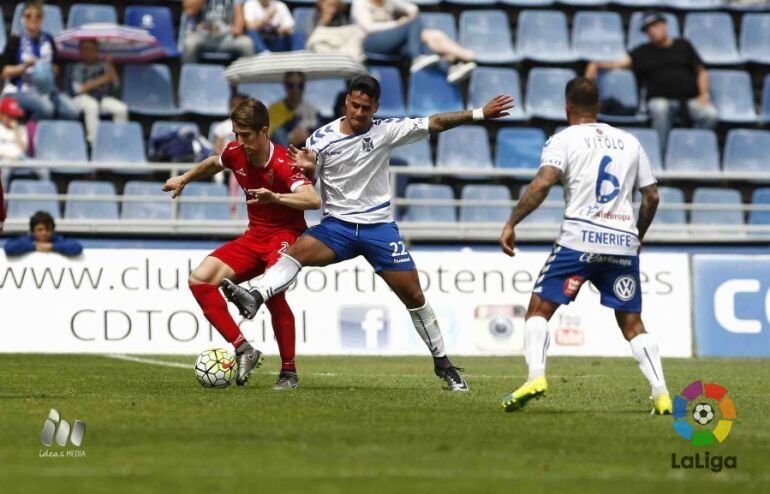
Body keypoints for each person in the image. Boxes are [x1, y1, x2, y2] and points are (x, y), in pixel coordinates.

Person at [220, 75, 514, 391]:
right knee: (295, 253)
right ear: (347, 101)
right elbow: (309, 185)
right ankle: (255, 295)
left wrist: (479, 113)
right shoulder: (321, 138)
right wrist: (308, 169)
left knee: (415, 297)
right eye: (355, 105)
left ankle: (445, 366)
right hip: (338, 227)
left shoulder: (386, 131)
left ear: (376, 107)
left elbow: (436, 122)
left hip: (378, 229)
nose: (359, 112)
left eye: (366, 108)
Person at [497, 77, 672, 415]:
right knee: (633, 324)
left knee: (538, 311)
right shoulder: (630, 141)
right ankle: (661, 392)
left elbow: (543, 183)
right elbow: (651, 196)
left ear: (567, 108)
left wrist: (512, 222)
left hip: (580, 241)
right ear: (598, 107)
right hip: (621, 242)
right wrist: (637, 236)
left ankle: (535, 377)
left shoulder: (563, 139)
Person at [162, 98, 321, 389]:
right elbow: (214, 163)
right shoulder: (236, 152)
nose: (240, 141)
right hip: (254, 238)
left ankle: (289, 372)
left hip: (285, 237)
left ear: (264, 131)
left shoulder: (283, 162)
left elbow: (312, 199)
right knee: (200, 280)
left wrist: (275, 197)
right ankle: (243, 348)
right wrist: (185, 178)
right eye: (237, 134)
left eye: (246, 135)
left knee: (273, 295)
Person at [584, 11, 717, 147]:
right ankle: (661, 151)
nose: (652, 31)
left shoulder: (683, 45)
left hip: (690, 100)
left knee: (709, 114)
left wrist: (704, 94)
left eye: (655, 25)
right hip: (660, 100)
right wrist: (596, 64)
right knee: (659, 108)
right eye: (648, 28)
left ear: (664, 25)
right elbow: (619, 63)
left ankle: (693, 147)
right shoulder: (642, 51)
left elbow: (701, 72)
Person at [351, 0, 476, 83]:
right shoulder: (360, 3)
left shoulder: (388, 1)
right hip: (370, 43)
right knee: (414, 23)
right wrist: (397, 23)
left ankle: (448, 70)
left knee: (422, 46)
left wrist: (408, 15)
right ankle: (417, 59)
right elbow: (369, 28)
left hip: (392, 44)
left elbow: (413, 8)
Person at [0, 1, 78, 121]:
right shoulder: (15, 40)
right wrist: (24, 66)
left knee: (72, 111)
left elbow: (57, 69)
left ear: (42, 18)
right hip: (19, 90)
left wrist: (46, 67)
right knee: (46, 108)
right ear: (22, 18)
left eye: (38, 16)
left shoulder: (49, 40)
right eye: (28, 15)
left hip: (47, 89)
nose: (33, 19)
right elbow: (5, 72)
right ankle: (31, 130)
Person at [69, 39, 129, 144]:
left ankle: (119, 141)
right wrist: (102, 80)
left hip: (101, 97)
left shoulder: (104, 65)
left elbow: (116, 85)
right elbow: (78, 89)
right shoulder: (78, 67)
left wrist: (110, 65)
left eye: (92, 49)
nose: (89, 52)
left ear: (97, 50)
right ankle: (94, 144)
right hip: (82, 98)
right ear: (80, 52)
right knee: (92, 106)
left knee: (121, 109)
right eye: (85, 49)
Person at [181, 0, 255, 64]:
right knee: (189, 44)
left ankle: (246, 76)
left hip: (227, 37)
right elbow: (189, 10)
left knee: (246, 44)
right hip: (204, 36)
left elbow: (239, 27)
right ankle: (191, 75)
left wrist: (231, 29)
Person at [267, 72, 319, 148]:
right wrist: (291, 141)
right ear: (285, 86)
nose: (296, 90)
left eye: (300, 85)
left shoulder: (312, 110)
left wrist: (308, 136)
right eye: (291, 85)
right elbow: (268, 137)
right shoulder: (273, 111)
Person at [4, 210, 83, 257]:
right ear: (32, 231)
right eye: (40, 230)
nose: (44, 233)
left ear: (52, 230)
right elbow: (9, 248)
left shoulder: (56, 239)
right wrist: (34, 246)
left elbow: (77, 247)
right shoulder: (27, 240)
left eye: (47, 229)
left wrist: (52, 246)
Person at [0, 96, 28, 161]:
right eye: (11, 116)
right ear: (1, 115)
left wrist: (16, 131)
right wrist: (9, 158)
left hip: (19, 162)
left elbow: (24, 149)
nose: (13, 119)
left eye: (15, 116)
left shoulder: (21, 128)